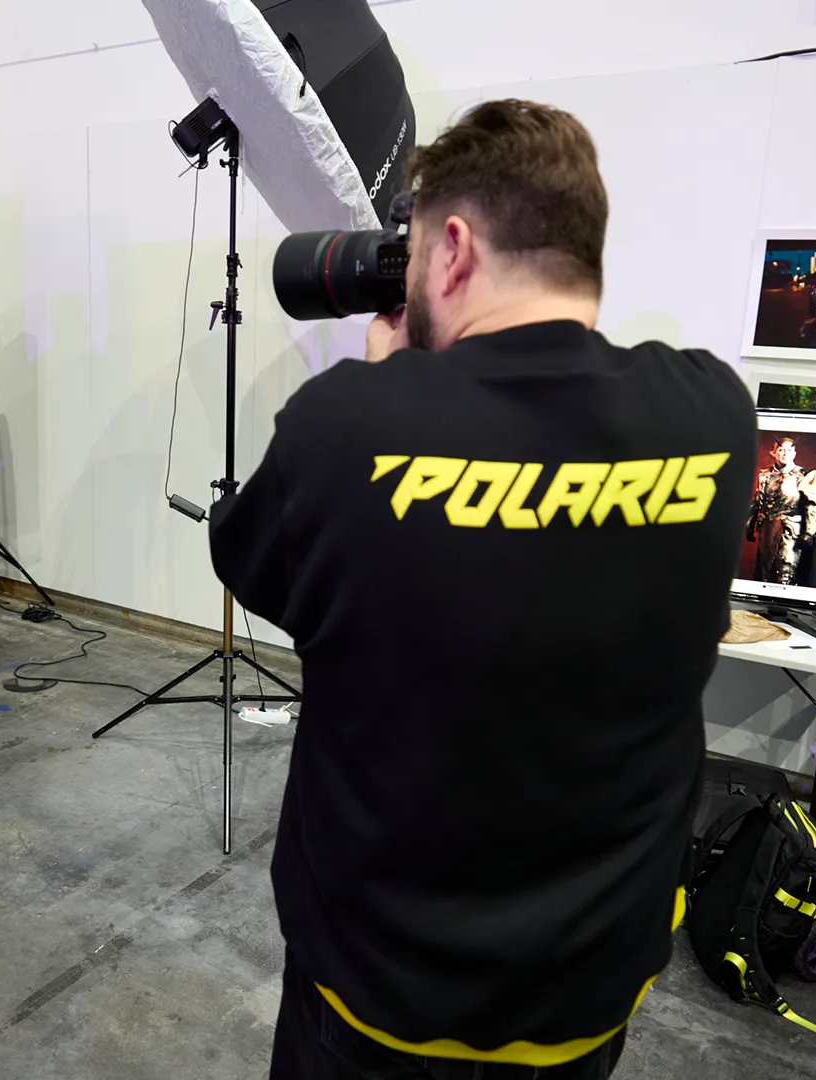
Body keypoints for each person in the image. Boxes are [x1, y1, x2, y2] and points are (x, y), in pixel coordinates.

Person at [208, 100, 757, 1079]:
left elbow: (257, 572)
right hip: (585, 999)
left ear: (454, 249)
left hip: (375, 998)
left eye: (415, 252)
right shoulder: (714, 414)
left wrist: (388, 387)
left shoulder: (343, 426)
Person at [746, 438, 816, 586]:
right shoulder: (764, 475)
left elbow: (811, 506)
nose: (785, 453)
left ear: (794, 453)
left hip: (789, 531)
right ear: (774, 453)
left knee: (785, 571)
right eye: (781, 450)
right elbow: (757, 501)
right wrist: (750, 524)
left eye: (789, 450)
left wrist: (809, 532)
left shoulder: (803, 476)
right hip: (767, 530)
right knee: (764, 570)